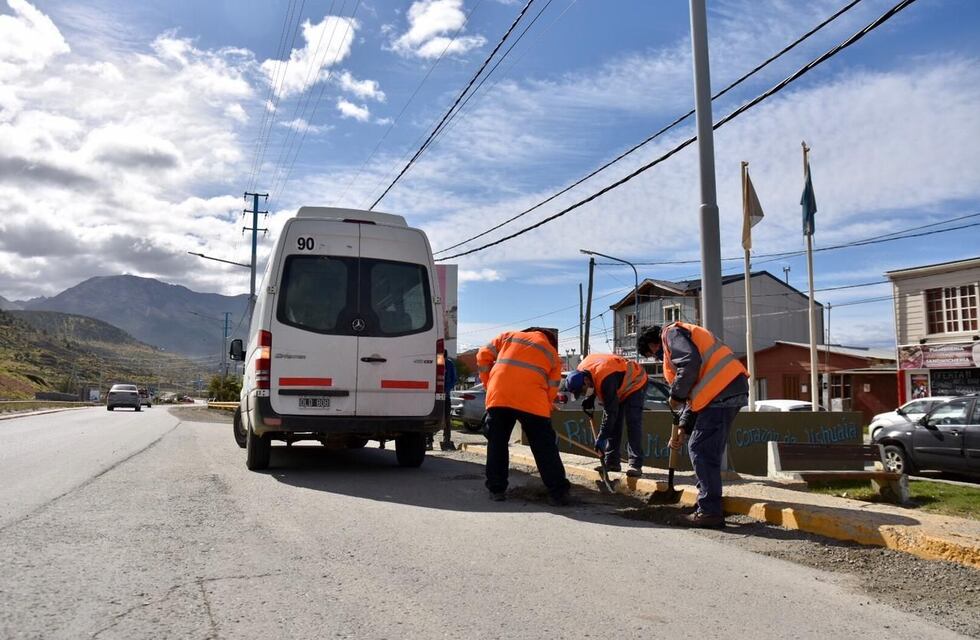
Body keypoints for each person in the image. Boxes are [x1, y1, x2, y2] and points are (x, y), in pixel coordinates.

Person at [637, 322, 749, 528]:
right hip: (727, 389)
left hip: (721, 392)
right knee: (707, 450)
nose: (657, 358)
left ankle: (709, 511)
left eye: (652, 355)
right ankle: (706, 504)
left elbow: (689, 364)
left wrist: (676, 395)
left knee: (700, 449)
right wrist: (683, 427)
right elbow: (696, 394)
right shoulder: (684, 337)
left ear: (652, 344)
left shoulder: (671, 334)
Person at [477, 327, 571, 505]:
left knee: (497, 443)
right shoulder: (552, 353)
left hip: (500, 395)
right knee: (544, 448)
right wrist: (547, 404)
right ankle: (558, 493)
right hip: (533, 401)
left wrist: (488, 382)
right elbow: (553, 385)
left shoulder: (508, 336)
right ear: (550, 340)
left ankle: (497, 490)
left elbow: (482, 355)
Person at [564, 353, 647, 477]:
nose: (582, 394)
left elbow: (610, 413)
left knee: (632, 422)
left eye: (582, 391)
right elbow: (593, 380)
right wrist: (590, 398)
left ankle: (635, 464)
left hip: (635, 380)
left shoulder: (605, 379)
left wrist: (602, 437)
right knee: (614, 424)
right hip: (618, 383)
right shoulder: (582, 371)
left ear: (585, 381)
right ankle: (612, 462)